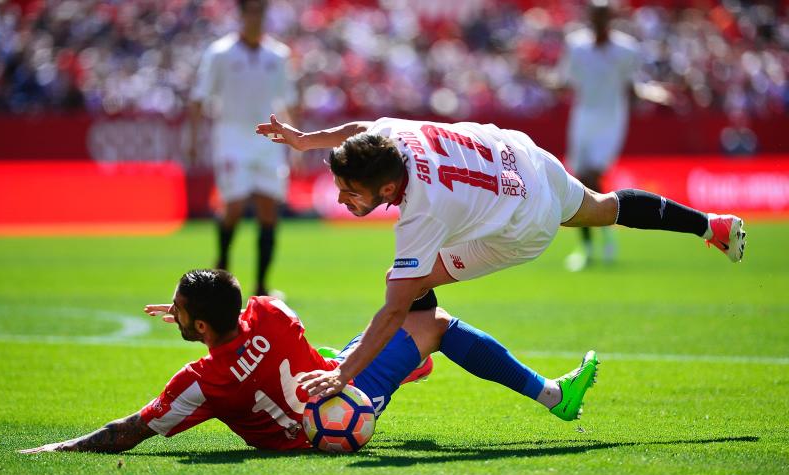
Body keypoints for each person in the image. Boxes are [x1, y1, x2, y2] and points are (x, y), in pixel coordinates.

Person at [254, 114, 745, 399]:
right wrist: (306, 140)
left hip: (522, 225)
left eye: (349, 192)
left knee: (412, 290)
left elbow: (394, 307)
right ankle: (710, 224)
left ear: (387, 186)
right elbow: (361, 128)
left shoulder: (423, 211)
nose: (342, 200)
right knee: (603, 208)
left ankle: (535, 389)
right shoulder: (390, 140)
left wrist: (343, 372)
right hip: (521, 157)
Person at [19, 269, 598, 454]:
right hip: (341, 399)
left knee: (397, 329)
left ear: (197, 328)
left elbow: (131, 431)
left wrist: (59, 448)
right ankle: (552, 395)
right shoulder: (270, 315)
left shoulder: (201, 382)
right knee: (433, 320)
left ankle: (399, 364)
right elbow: (265, 312)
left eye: (180, 308)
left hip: (315, 431)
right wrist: (204, 316)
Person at [552, 0, 675, 271]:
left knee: (591, 175)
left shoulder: (626, 49)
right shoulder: (576, 45)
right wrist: (546, 83)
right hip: (583, 118)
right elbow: (563, 81)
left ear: (610, 18)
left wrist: (657, 95)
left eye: (603, 17)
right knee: (580, 180)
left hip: (611, 120)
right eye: (594, 17)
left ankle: (598, 238)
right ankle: (593, 241)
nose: (598, 22)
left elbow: (632, 87)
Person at [187, 0, 298, 296]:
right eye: (251, 10)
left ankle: (262, 286)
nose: (256, 16)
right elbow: (200, 97)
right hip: (231, 138)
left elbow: (287, 101)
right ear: (241, 14)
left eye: (261, 10)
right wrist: (193, 139)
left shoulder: (278, 55)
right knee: (234, 206)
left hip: (268, 140)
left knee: (268, 210)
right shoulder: (220, 53)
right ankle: (222, 269)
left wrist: (296, 143)